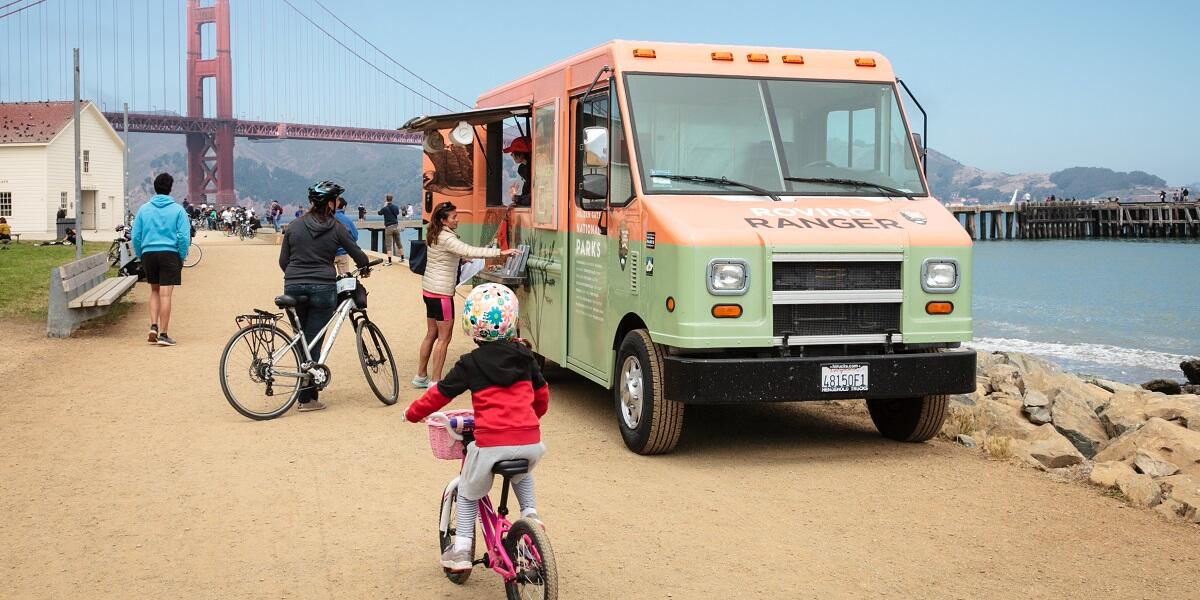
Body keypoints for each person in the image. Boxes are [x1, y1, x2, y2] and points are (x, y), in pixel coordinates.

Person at [404, 283, 549, 572]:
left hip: (492, 444)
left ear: (472, 324)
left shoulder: (470, 363)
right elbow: (541, 397)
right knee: (521, 471)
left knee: (469, 491)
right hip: (531, 441)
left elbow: (440, 394)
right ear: (511, 320)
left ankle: (460, 551)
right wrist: (529, 419)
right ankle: (531, 515)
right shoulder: (525, 357)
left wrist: (412, 413)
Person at [279, 180, 371, 412]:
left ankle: (303, 390)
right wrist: (365, 266)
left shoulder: (294, 225)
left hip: (293, 286)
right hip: (323, 287)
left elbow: (283, 262)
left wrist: (296, 278)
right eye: (337, 200)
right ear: (331, 203)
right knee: (314, 341)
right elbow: (357, 254)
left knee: (301, 339)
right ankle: (307, 399)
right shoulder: (337, 227)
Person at [413, 201, 518, 388]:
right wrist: (501, 252)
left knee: (431, 334)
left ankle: (420, 376)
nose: (457, 220)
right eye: (454, 217)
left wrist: (461, 258)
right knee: (444, 339)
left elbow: (446, 255)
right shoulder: (447, 238)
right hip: (442, 294)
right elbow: (469, 249)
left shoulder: (434, 233)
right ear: (443, 220)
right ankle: (435, 381)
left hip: (429, 291)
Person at [131, 173, 190, 347]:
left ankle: (153, 326)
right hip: (169, 254)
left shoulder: (143, 209)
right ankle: (163, 334)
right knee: (166, 294)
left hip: (149, 254)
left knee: (154, 291)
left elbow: (135, 236)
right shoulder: (178, 210)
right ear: (170, 189)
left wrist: (142, 254)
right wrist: (181, 255)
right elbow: (184, 238)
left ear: (155, 188)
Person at [333, 196, 360, 275]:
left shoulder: (326, 218)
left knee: (328, 279)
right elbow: (355, 236)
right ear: (344, 207)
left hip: (329, 254)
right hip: (342, 253)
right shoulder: (347, 220)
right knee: (345, 280)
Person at [503, 136, 532, 206]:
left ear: (521, 153)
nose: (511, 155)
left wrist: (517, 198)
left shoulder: (532, 168)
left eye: (513, 153)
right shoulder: (521, 169)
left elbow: (533, 197)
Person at [377, 194, 403, 265]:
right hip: (396, 226)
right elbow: (397, 213)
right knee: (399, 243)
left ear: (386, 199)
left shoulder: (385, 208)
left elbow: (379, 213)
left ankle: (389, 261)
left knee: (388, 244)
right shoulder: (395, 207)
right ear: (392, 199)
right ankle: (402, 258)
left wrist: (384, 206)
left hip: (389, 227)